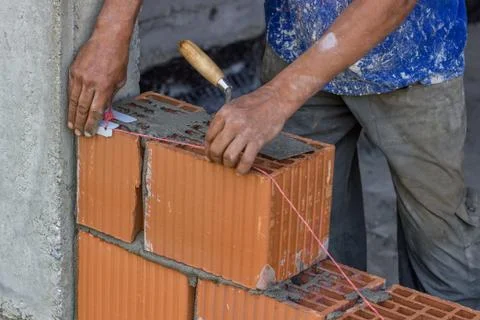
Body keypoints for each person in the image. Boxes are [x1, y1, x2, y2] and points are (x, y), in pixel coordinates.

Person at [68, 0, 480, 309]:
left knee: (441, 249)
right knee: (311, 248)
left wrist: (276, 98)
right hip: (298, 38)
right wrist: (112, 30)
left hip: (412, 55)